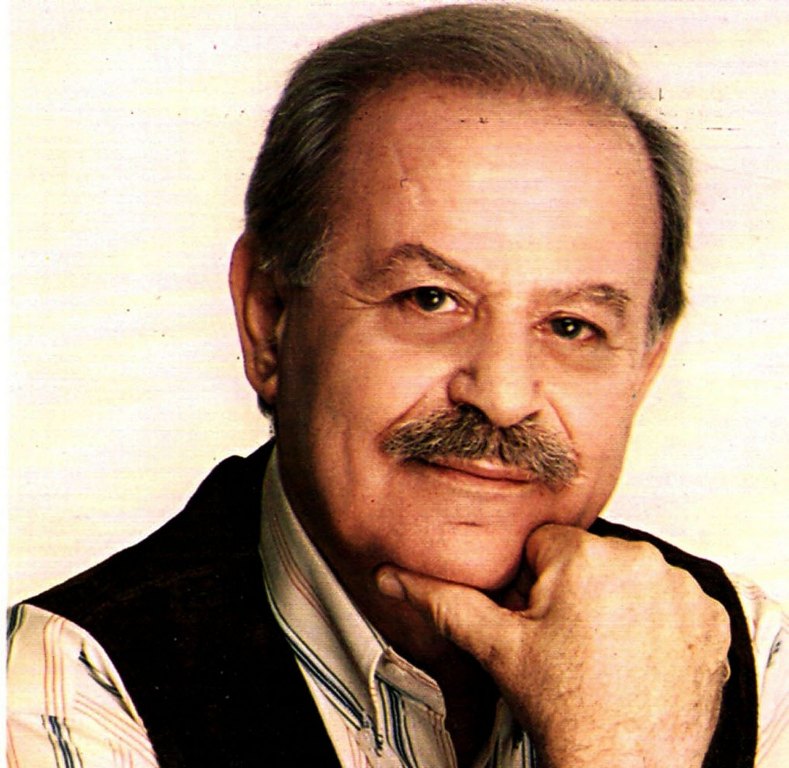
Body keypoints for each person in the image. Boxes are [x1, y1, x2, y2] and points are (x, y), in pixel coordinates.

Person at [7, 4, 787, 767]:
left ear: (642, 369)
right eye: (430, 300)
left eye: (571, 326)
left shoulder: (747, 652)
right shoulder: (62, 689)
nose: (502, 395)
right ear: (268, 319)